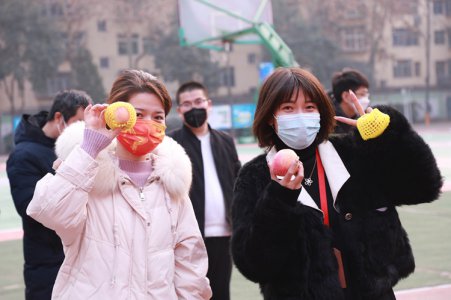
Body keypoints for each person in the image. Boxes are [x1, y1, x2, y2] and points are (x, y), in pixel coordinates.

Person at [231, 67, 443, 300]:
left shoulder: (353, 154)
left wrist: (389, 137)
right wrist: (279, 199)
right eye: (288, 108)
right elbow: (253, 264)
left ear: (321, 112)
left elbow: (425, 187)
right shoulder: (255, 176)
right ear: (271, 117)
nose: (301, 115)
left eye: (309, 107)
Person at [26, 70, 212, 299]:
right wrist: (89, 149)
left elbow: (190, 265)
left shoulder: (172, 183)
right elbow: (47, 211)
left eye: (158, 117)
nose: (149, 124)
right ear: (116, 115)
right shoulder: (86, 174)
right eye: (139, 114)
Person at [6, 90, 91, 300]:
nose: (83, 130)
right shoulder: (24, 155)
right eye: (78, 122)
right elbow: (30, 208)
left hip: (83, 257)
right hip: (48, 261)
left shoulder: (78, 149)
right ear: (59, 118)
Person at [168, 81, 241, 300]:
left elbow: (236, 181)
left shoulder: (226, 141)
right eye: (187, 104)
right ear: (180, 111)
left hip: (224, 235)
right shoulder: (172, 143)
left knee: (221, 293)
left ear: (209, 104)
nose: (194, 108)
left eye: (198, 101)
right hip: (188, 237)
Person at [331, 69, 370, 134]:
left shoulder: (364, 118)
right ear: (345, 96)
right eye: (362, 94)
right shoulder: (330, 124)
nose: (366, 99)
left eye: (367, 95)